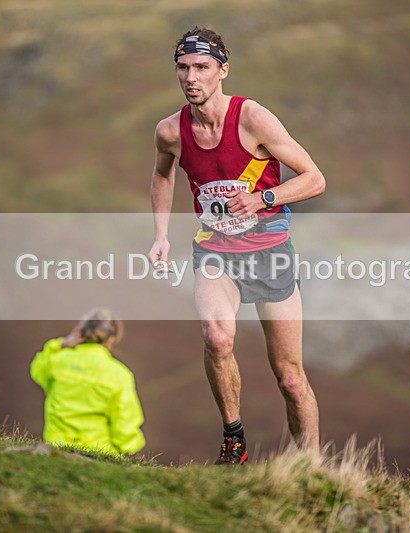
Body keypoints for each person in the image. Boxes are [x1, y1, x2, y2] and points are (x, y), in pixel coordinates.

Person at [148, 26, 326, 464]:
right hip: (215, 253)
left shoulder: (252, 119)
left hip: (270, 253)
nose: (192, 77)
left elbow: (314, 179)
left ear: (223, 70)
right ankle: (234, 439)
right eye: (183, 68)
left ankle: (312, 469)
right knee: (216, 336)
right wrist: (161, 235)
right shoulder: (171, 131)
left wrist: (263, 197)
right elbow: (163, 174)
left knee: (289, 378)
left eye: (202, 67)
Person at [30, 308, 145, 455]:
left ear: (80, 332)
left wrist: (59, 345)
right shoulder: (120, 374)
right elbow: (125, 425)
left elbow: (37, 369)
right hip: (100, 454)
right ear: (111, 339)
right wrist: (129, 447)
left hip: (56, 449)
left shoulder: (57, 361)